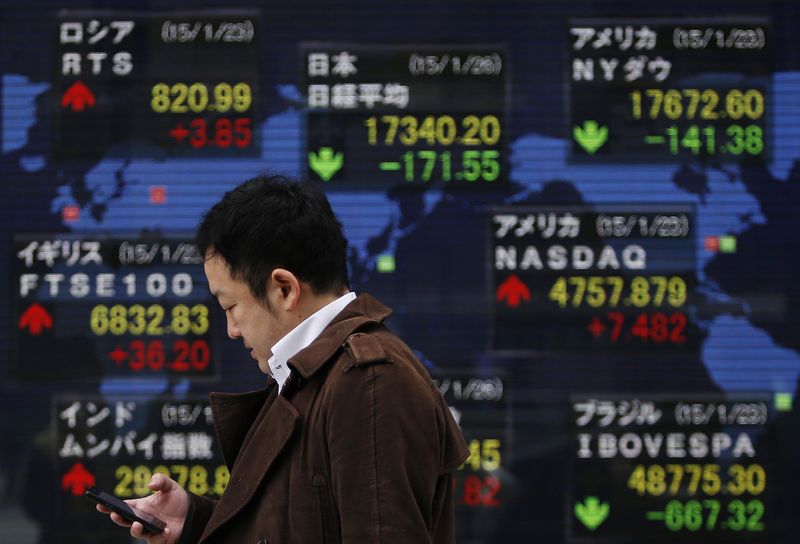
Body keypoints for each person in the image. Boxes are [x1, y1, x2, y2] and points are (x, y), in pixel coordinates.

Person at [96, 174, 469, 543]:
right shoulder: (319, 376)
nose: (232, 330)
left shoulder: (368, 383)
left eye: (231, 306)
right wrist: (196, 522)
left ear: (285, 288)